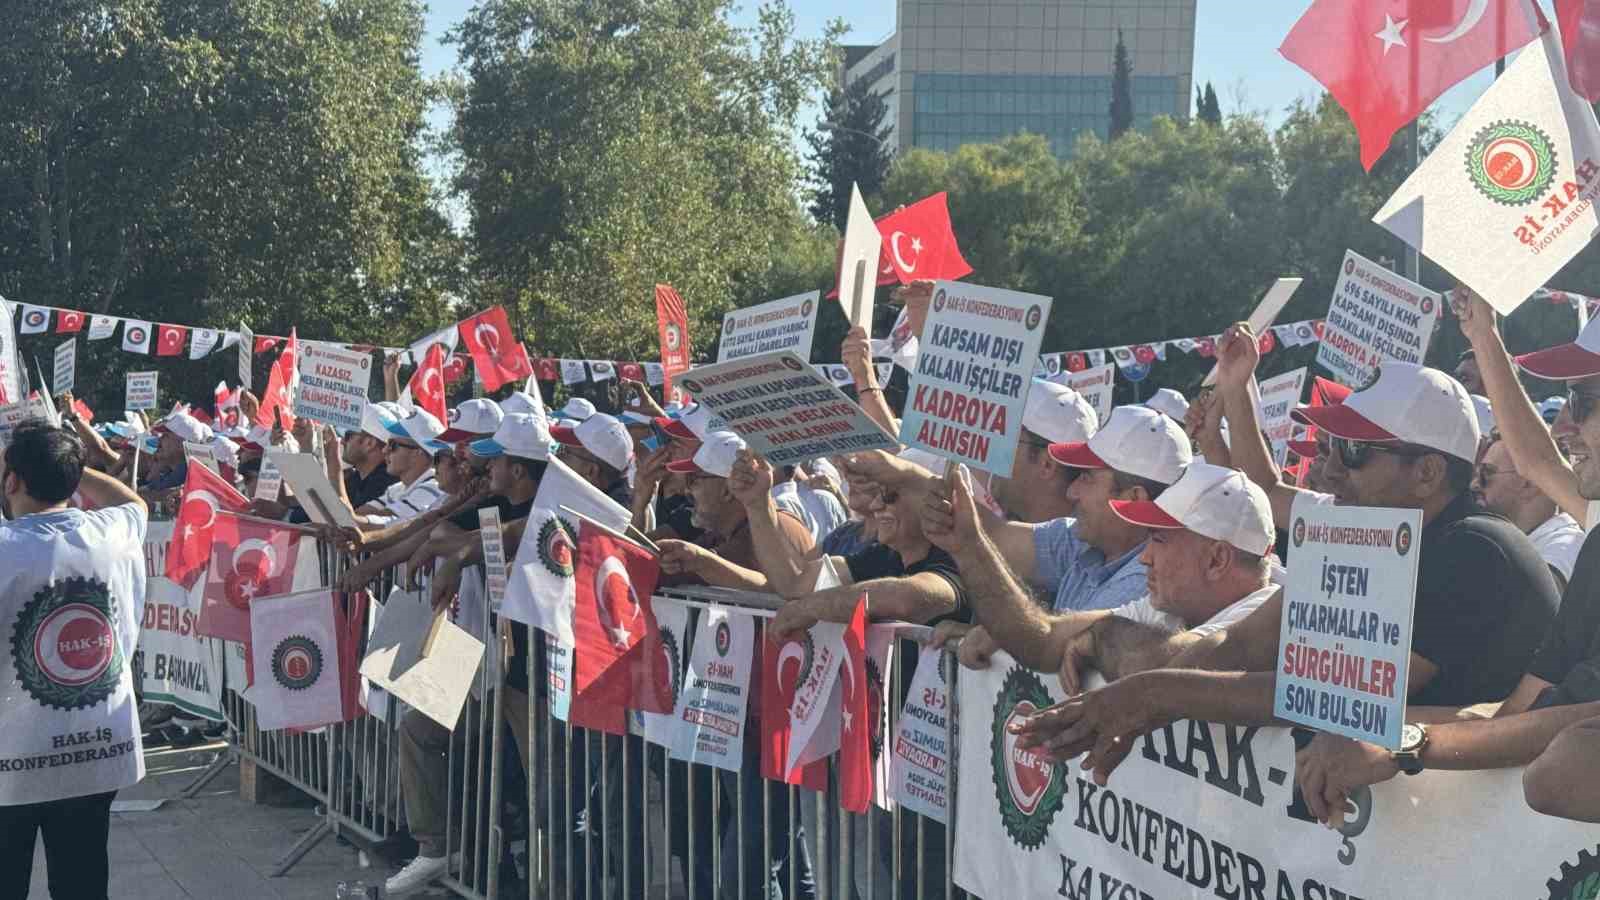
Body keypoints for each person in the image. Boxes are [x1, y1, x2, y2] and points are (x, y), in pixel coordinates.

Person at [1010, 334, 1561, 784]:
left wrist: (1152, 694)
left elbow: (1323, 697)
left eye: (1354, 451)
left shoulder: (1474, 553)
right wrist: (1126, 664)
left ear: (1428, 474)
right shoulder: (1364, 537)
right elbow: (1241, 646)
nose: (1331, 471)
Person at [927, 461, 1276, 682]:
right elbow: (1043, 638)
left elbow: (1163, 671)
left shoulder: (1268, 613)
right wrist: (968, 548)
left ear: (1217, 560)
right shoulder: (1168, 607)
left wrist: (1099, 637)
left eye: (1160, 540)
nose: (1145, 557)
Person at [0, 420, 150, 899]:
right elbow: (135, 502)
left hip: (13, 755)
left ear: (11, 481)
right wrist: (73, 466)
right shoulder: (110, 534)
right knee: (83, 881)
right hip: (96, 748)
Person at [1474, 434, 1585, 590]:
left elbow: (1533, 607)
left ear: (1529, 484)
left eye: (1486, 473)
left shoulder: (1566, 547)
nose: (1475, 484)